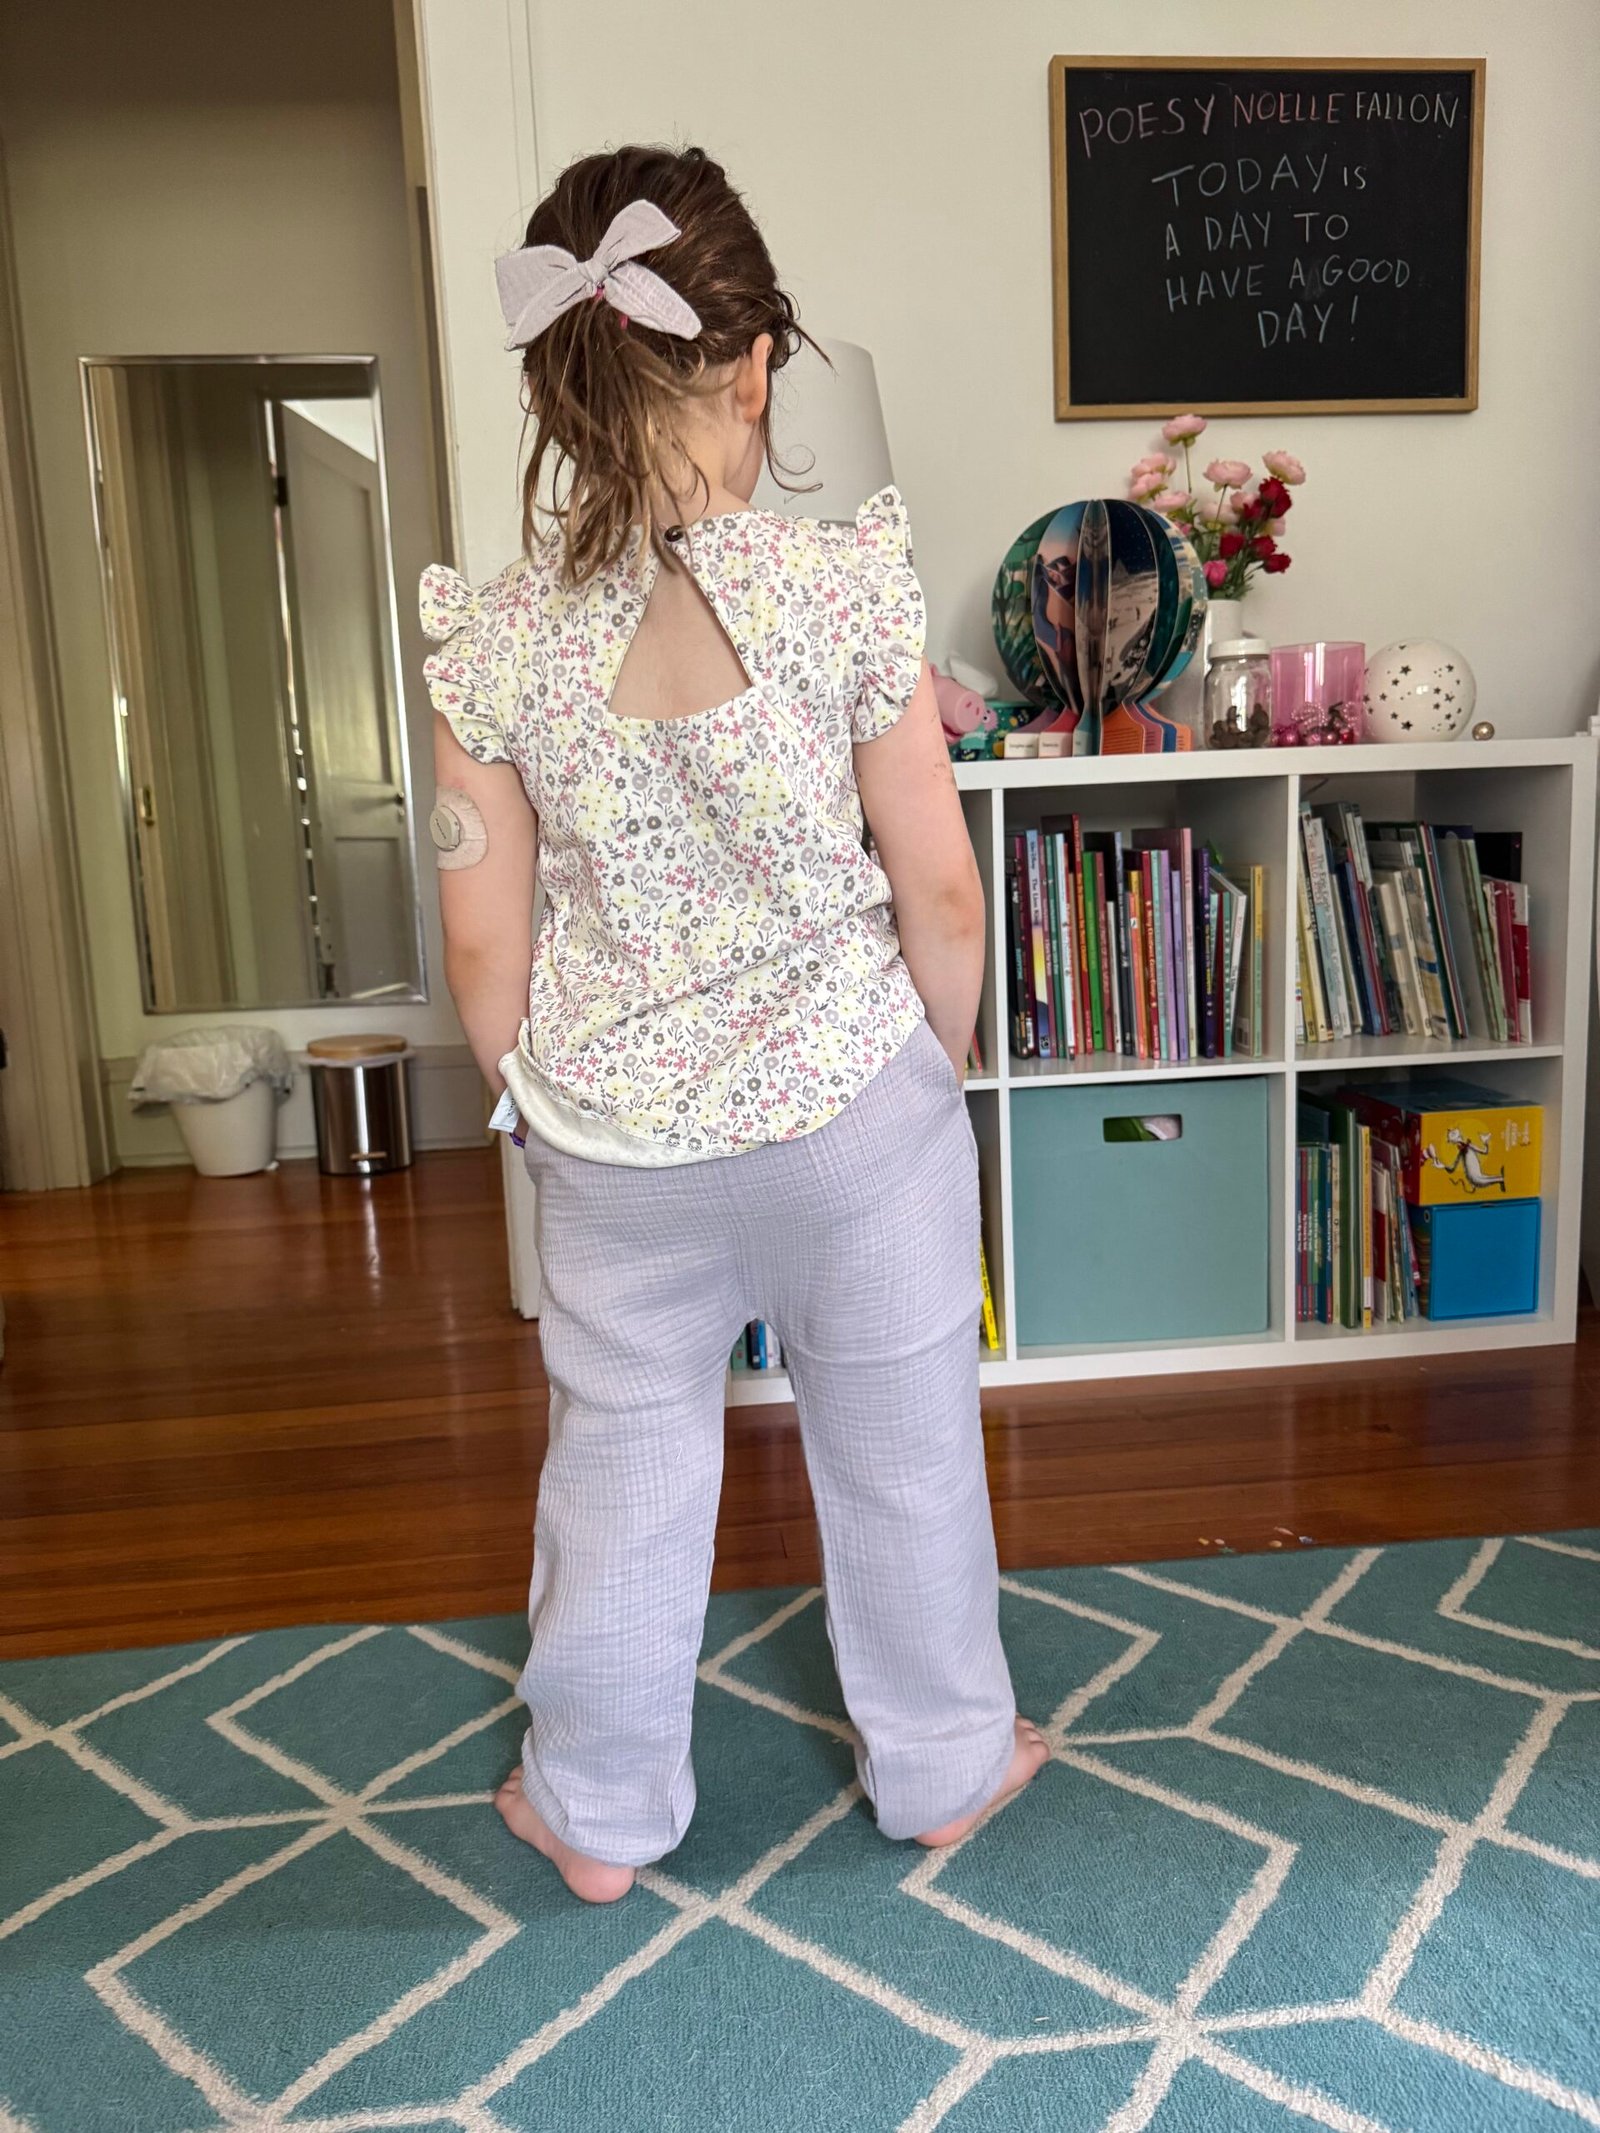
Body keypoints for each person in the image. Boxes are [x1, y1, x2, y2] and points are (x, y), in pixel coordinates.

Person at [422, 144, 1045, 1905]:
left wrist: (534, 1101)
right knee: (906, 1448)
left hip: (619, 1145)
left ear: (560, 384)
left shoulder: (497, 641)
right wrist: (940, 1063)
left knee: (620, 1476)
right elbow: (938, 887)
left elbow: (487, 948)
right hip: (855, 1109)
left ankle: (599, 1812)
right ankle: (942, 1764)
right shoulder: (847, 583)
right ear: (761, 357)